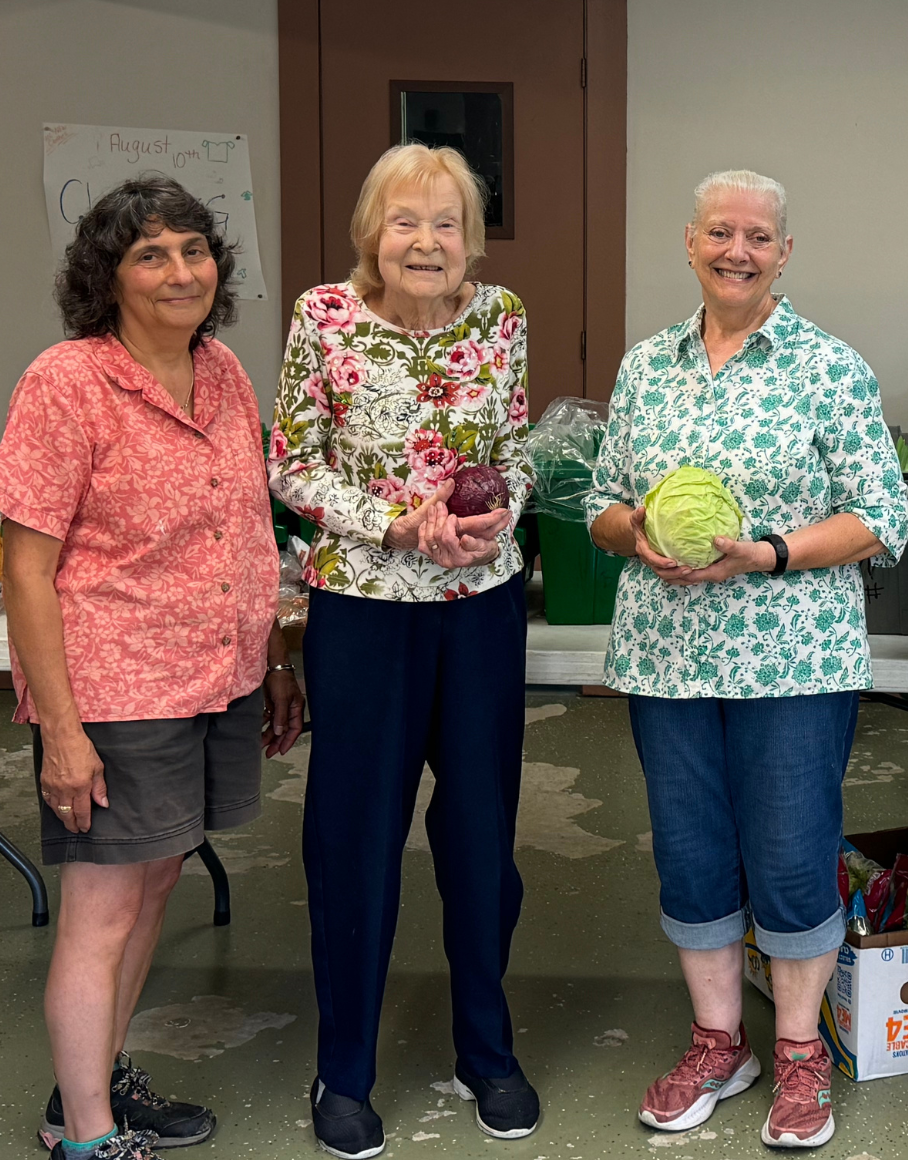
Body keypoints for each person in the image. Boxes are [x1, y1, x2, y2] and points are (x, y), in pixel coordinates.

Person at [586, 169, 908, 1152]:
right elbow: (601, 499)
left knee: (788, 852)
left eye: (757, 236)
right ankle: (719, 1040)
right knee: (688, 853)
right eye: (719, 232)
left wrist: (764, 551)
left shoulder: (829, 366)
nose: (737, 249)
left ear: (783, 252)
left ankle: (800, 1049)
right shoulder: (648, 365)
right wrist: (633, 528)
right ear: (689, 242)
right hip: (665, 657)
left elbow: (879, 515)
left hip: (790, 661)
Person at [0, 177, 302, 1160]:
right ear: (108, 275)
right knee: (102, 906)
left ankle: (93, 1085)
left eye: (195, 249)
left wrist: (275, 653)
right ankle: (85, 1137)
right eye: (151, 254)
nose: (181, 271)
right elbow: (27, 567)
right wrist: (64, 731)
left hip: (213, 675)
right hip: (115, 687)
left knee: (156, 882)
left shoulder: (223, 375)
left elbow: (248, 532)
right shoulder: (66, 381)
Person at [269, 143, 535, 1160]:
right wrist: (392, 521)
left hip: (477, 604)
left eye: (447, 222)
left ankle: (486, 1048)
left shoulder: (501, 316)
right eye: (405, 221)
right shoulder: (324, 318)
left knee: (481, 836)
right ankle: (343, 1068)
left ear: (469, 237)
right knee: (356, 839)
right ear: (371, 233)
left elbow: (511, 448)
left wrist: (492, 517)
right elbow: (289, 461)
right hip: (364, 607)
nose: (426, 242)